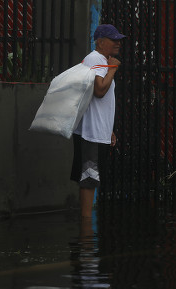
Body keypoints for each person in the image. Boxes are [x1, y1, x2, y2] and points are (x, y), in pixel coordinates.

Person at [70, 24, 126, 219]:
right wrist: (112, 68)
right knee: (89, 178)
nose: (118, 43)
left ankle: (86, 229)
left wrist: (108, 129)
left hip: (96, 130)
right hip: (89, 132)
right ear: (100, 42)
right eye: (113, 39)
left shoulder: (102, 60)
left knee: (91, 177)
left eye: (119, 39)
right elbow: (100, 90)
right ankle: (85, 232)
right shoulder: (96, 59)